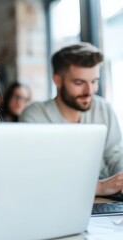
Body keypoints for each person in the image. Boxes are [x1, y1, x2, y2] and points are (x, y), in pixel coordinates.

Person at [20, 42, 123, 196]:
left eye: (94, 81)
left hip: (106, 201)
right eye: (79, 83)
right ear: (57, 81)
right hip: (56, 201)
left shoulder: (104, 109)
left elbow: (116, 156)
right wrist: (99, 188)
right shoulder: (35, 116)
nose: (89, 91)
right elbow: (38, 178)